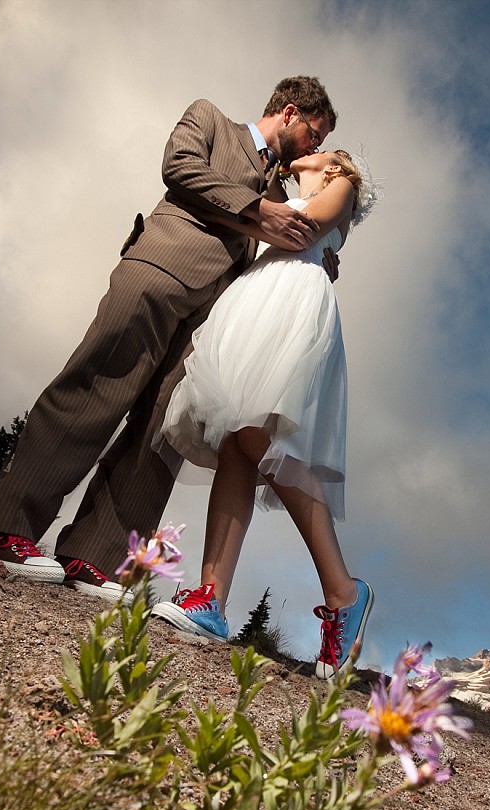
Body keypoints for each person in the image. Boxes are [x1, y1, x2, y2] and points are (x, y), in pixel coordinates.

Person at [0, 78, 337, 599]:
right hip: (159, 270)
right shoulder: (210, 118)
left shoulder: (284, 190)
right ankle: (7, 525)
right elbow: (180, 168)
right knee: (96, 386)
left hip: (213, 317)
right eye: (314, 134)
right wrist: (259, 212)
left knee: (162, 429)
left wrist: (315, 251)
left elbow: (300, 235)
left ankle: (95, 556)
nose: (315, 148)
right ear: (291, 112)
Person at [149, 149, 379, 680]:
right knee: (236, 441)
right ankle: (210, 599)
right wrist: (265, 201)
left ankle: (344, 589)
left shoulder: (340, 183)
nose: (310, 149)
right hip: (258, 295)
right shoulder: (282, 187)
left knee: (259, 435)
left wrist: (261, 209)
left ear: (337, 164)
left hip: (293, 301)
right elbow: (269, 221)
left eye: (321, 146)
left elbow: (301, 229)